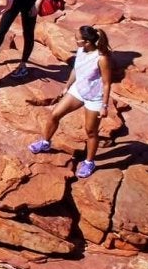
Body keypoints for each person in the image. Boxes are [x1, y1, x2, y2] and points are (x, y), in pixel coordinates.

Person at [29, 25, 117, 179]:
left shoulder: (102, 58)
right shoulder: (82, 50)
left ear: (87, 42)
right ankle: (45, 142)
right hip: (78, 90)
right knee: (54, 114)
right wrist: (67, 86)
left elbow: (106, 83)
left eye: (77, 39)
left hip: (94, 97)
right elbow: (76, 69)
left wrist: (104, 105)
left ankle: (89, 162)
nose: (74, 40)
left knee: (90, 131)